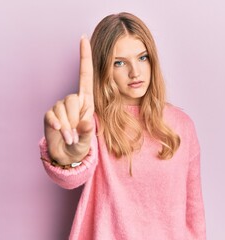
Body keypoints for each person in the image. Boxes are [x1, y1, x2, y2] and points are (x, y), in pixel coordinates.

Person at [39, 12, 206, 240]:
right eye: (119, 63)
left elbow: (194, 213)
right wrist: (67, 159)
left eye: (142, 58)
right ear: (104, 69)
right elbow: (72, 176)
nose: (135, 72)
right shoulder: (91, 126)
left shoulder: (181, 125)